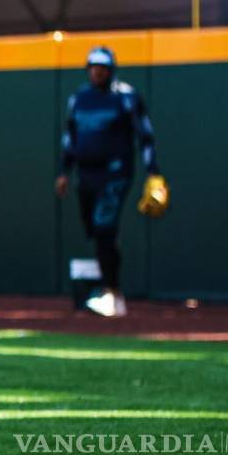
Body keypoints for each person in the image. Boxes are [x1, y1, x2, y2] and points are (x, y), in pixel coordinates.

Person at [55, 46, 161, 318]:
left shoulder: (126, 97)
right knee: (96, 230)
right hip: (86, 175)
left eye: (101, 67)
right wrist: (64, 172)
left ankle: (113, 294)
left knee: (104, 228)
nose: (96, 72)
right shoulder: (79, 99)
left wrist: (153, 173)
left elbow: (145, 137)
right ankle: (109, 289)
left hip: (115, 174)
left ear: (111, 70)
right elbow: (70, 136)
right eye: (92, 67)